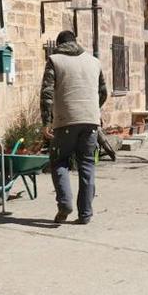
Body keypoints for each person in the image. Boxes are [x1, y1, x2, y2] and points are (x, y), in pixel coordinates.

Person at [40, 30, 107, 224]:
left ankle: (65, 204)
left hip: (65, 121)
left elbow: (46, 94)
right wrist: (91, 109)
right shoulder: (94, 62)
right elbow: (103, 92)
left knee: (59, 161)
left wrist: (46, 122)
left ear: (59, 44)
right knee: (87, 165)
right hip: (91, 121)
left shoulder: (55, 60)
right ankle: (85, 214)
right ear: (75, 42)